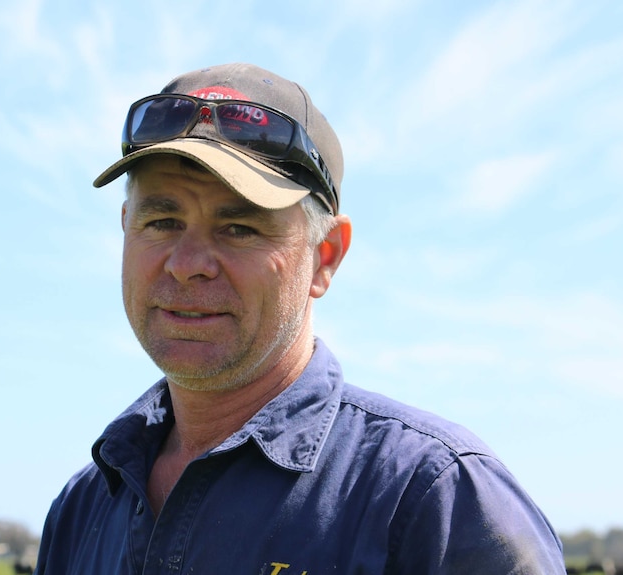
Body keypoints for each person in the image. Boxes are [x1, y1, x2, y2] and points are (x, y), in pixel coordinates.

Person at [34, 63, 566, 574]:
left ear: (325, 255)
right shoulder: (82, 512)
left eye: (239, 228)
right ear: (126, 227)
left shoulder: (435, 500)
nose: (188, 264)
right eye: (163, 220)